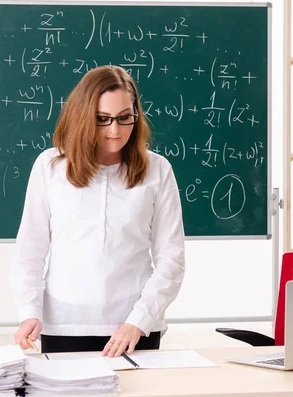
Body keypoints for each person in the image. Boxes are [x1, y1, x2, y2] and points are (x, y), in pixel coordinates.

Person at [10, 65, 185, 357]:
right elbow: (30, 249)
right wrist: (29, 311)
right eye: (102, 119)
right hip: (64, 326)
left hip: (134, 328)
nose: (115, 130)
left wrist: (138, 321)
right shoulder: (50, 166)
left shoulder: (158, 169)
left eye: (125, 118)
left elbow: (172, 258)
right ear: (82, 116)